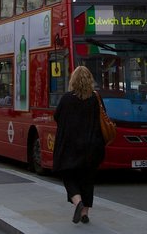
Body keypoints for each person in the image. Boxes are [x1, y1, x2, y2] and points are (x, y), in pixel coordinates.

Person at [53, 66, 106, 224]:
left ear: (73, 81)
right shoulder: (95, 99)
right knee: (87, 179)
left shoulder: (67, 98)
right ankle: (84, 213)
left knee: (68, 175)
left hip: (70, 146)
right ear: (90, 80)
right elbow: (103, 119)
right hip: (92, 146)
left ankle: (78, 202)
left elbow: (57, 117)